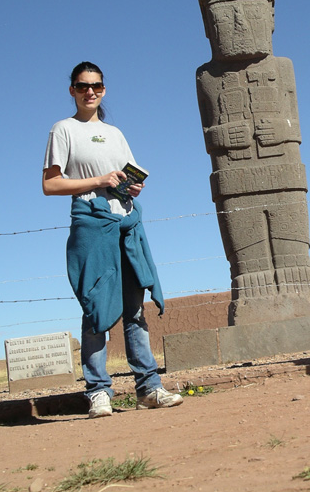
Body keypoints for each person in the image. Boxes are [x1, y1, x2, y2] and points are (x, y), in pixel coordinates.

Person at [43, 61, 183, 418]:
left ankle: (148, 388)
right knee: (96, 308)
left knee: (135, 309)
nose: (90, 92)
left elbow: (127, 177)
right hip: (92, 223)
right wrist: (99, 181)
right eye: (82, 86)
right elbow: (50, 184)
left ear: (103, 90)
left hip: (126, 222)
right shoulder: (63, 130)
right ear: (72, 90)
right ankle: (98, 392)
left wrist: (132, 186)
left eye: (96, 86)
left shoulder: (115, 133)